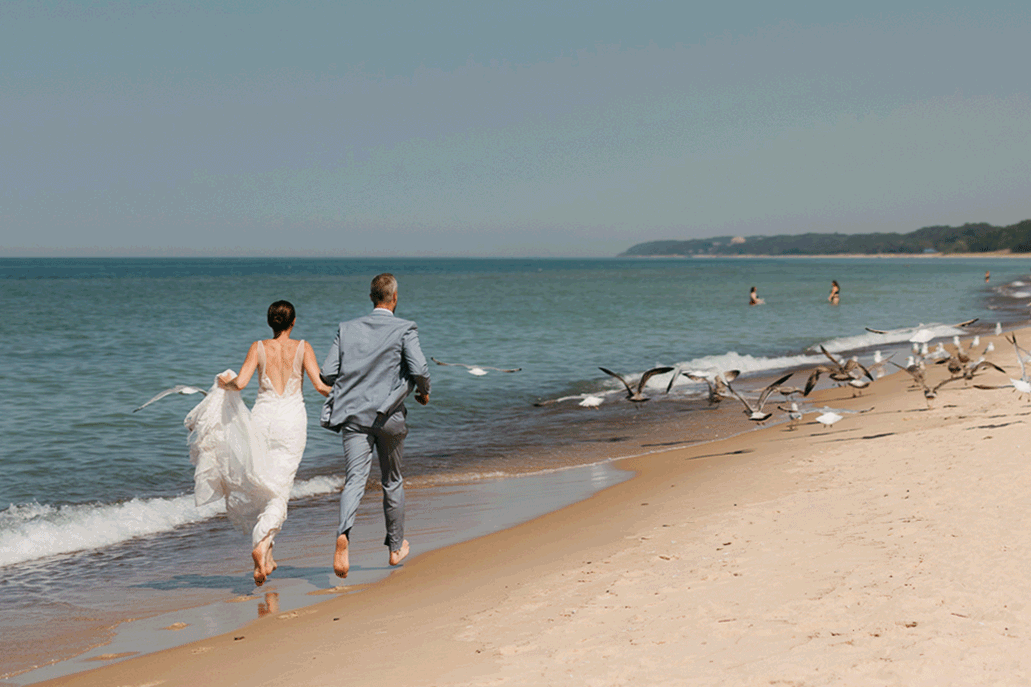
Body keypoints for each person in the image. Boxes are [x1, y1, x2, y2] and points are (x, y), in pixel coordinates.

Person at [187, 301, 331, 586]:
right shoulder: (304, 347)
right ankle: (261, 544)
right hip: (291, 422)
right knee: (280, 490)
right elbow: (320, 386)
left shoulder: (258, 347)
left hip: (263, 420)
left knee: (267, 481)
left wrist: (223, 383)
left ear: (270, 323)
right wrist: (349, 396)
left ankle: (268, 559)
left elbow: (239, 383)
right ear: (293, 323)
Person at [320, 274, 431, 578]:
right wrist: (423, 391)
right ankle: (395, 549)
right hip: (388, 417)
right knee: (392, 480)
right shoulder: (405, 327)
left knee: (354, 480)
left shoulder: (347, 328)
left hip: (354, 417)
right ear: (394, 298)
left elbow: (328, 372)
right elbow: (420, 368)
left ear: (371, 298)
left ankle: (343, 535)